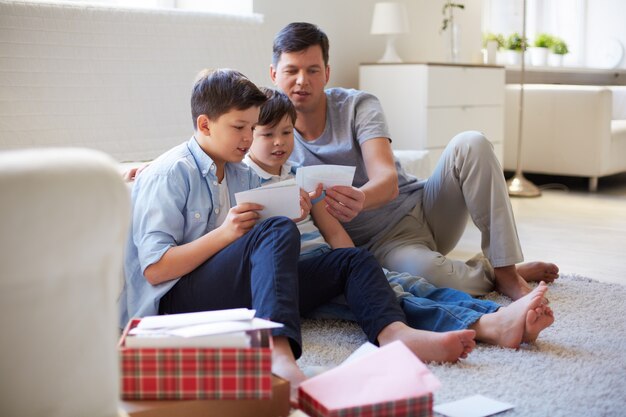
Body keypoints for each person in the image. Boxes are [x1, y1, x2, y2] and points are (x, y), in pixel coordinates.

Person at [118, 68, 478, 402]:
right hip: (175, 306)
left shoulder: (239, 172)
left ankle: (394, 333)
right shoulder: (170, 173)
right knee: (274, 230)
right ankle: (278, 353)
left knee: (350, 260)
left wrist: (297, 204)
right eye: (240, 127)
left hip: (233, 294)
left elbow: (274, 218)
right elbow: (156, 270)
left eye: (251, 128)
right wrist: (228, 233)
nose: (247, 139)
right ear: (205, 124)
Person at [269, 22, 560, 302]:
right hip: (386, 245)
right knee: (440, 278)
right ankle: (489, 272)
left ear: (327, 72)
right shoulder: (269, 136)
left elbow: (387, 180)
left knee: (472, 142)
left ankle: (506, 270)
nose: (302, 80)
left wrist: (359, 197)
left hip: (425, 207)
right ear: (273, 74)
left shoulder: (358, 105)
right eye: (291, 70)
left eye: (313, 70)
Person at [245, 87, 554, 349]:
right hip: (306, 278)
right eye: (268, 134)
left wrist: (358, 270)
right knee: (399, 298)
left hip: (352, 254)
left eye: (286, 133)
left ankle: (497, 309)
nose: (279, 142)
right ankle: (490, 325)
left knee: (407, 284)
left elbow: (336, 233)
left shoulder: (303, 176)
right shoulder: (243, 184)